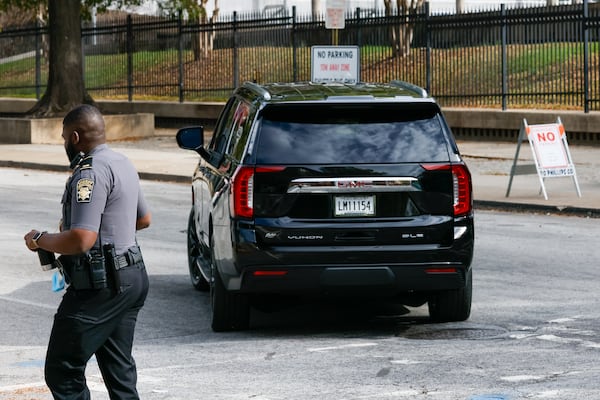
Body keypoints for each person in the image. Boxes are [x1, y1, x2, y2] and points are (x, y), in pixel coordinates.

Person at [23, 104, 151, 399]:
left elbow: (81, 240)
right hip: (132, 278)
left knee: (62, 370)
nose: (64, 143)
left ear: (76, 137)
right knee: (120, 376)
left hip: (100, 286)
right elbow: (144, 219)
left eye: (65, 137)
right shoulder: (122, 163)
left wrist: (41, 239)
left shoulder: (88, 174)